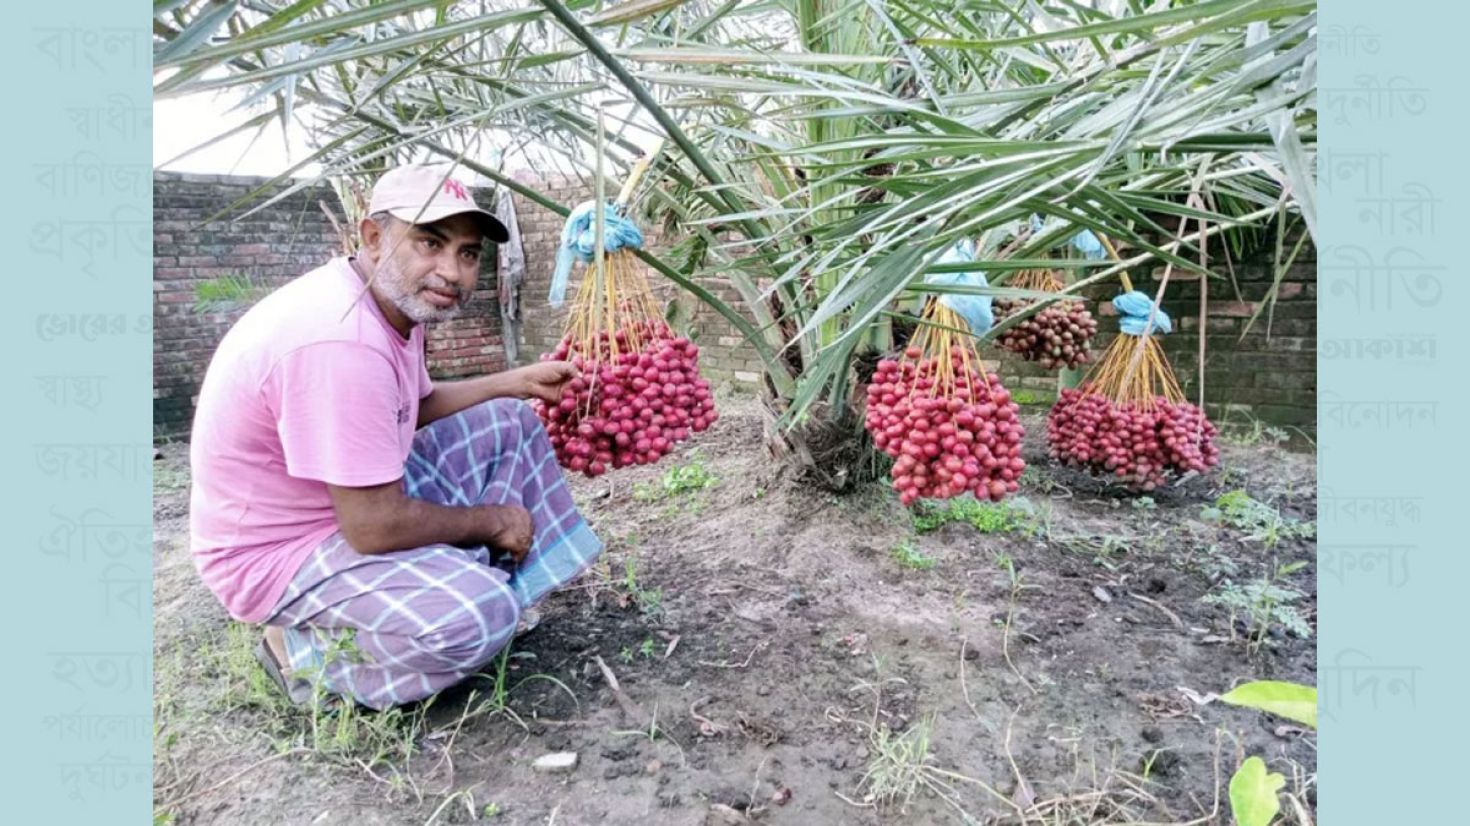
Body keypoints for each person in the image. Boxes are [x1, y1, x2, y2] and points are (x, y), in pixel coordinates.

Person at [188, 163, 602, 710]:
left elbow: (415, 405)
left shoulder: (382, 303)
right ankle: (305, 650)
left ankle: (464, 585)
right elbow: (374, 526)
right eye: (429, 242)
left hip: (334, 506)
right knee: (476, 618)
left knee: (511, 420)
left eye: (468, 253)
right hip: (278, 555)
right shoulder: (341, 343)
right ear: (375, 237)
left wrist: (516, 381)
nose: (451, 272)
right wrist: (493, 520)